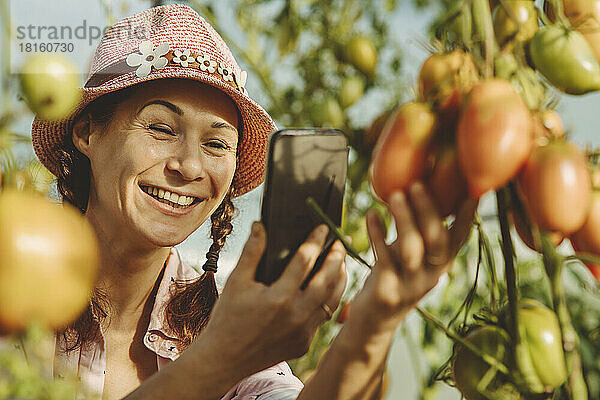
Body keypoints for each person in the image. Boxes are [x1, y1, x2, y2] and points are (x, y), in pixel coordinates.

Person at [31, 4, 476, 400]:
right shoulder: (18, 284)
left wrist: (376, 319)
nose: (189, 167)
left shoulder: (216, 318)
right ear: (87, 132)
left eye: (217, 144)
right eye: (162, 129)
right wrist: (220, 359)